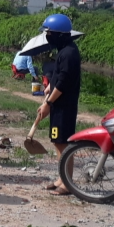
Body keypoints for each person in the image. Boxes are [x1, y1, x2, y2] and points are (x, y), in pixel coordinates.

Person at [36, 14, 81, 196]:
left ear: (60, 35)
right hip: (58, 105)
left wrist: (47, 103)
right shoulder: (63, 51)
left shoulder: (69, 53)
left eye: (49, 33)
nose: (47, 36)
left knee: (64, 144)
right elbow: (58, 78)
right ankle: (62, 178)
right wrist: (48, 88)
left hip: (64, 107)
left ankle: (68, 183)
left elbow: (63, 83)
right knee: (57, 142)